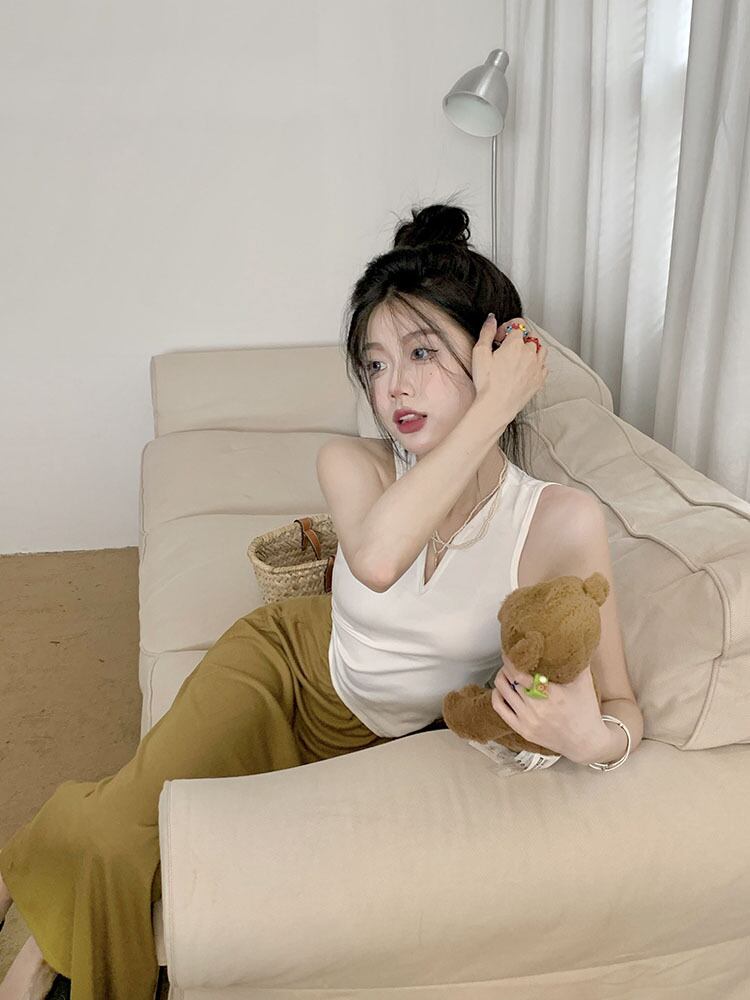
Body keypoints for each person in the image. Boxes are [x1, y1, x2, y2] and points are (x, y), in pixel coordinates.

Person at [0, 200, 548, 1000]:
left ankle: (32, 878)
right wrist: (492, 409)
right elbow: (381, 557)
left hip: (380, 740)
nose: (393, 386)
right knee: (127, 839)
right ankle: (45, 937)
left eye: (423, 352)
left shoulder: (546, 519)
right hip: (286, 667)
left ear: (500, 354)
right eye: (374, 364)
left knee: (172, 842)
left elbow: (602, 700)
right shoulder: (353, 463)